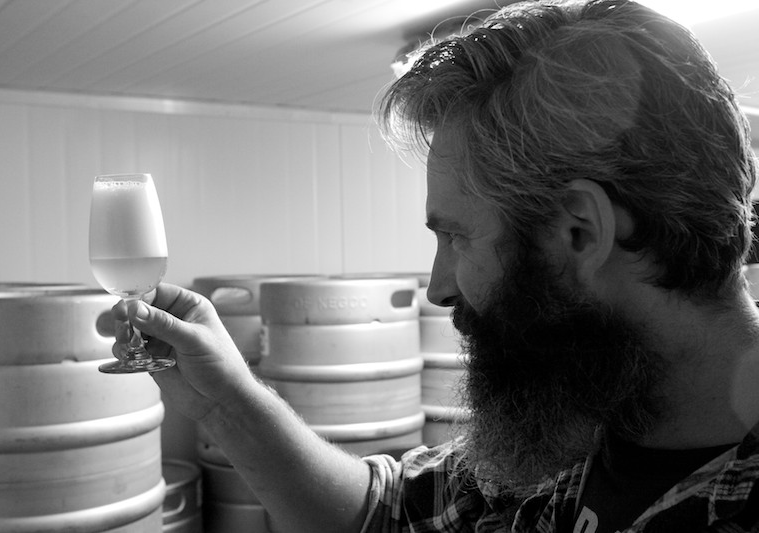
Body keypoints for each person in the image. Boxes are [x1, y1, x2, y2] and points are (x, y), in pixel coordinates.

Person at [111, 0, 759, 531]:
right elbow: (384, 513)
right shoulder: (584, 418)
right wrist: (224, 401)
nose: (439, 288)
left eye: (456, 236)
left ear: (579, 231)